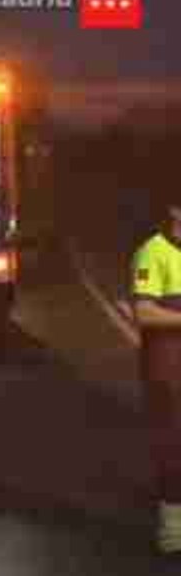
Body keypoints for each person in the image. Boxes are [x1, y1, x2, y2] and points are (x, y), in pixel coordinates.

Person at [133, 194, 181, 555]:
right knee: (173, 443)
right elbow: (144, 313)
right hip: (167, 366)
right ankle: (173, 529)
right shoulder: (153, 252)